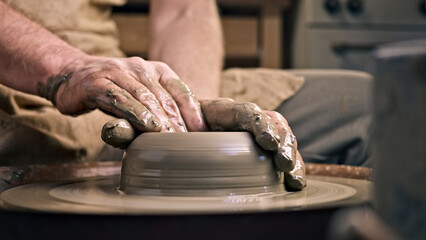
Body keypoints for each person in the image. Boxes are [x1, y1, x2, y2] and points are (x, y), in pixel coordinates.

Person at [0, 0, 372, 190]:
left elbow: (184, 9)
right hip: (21, 85)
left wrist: (187, 114)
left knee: (378, 108)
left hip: (124, 85)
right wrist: (65, 68)